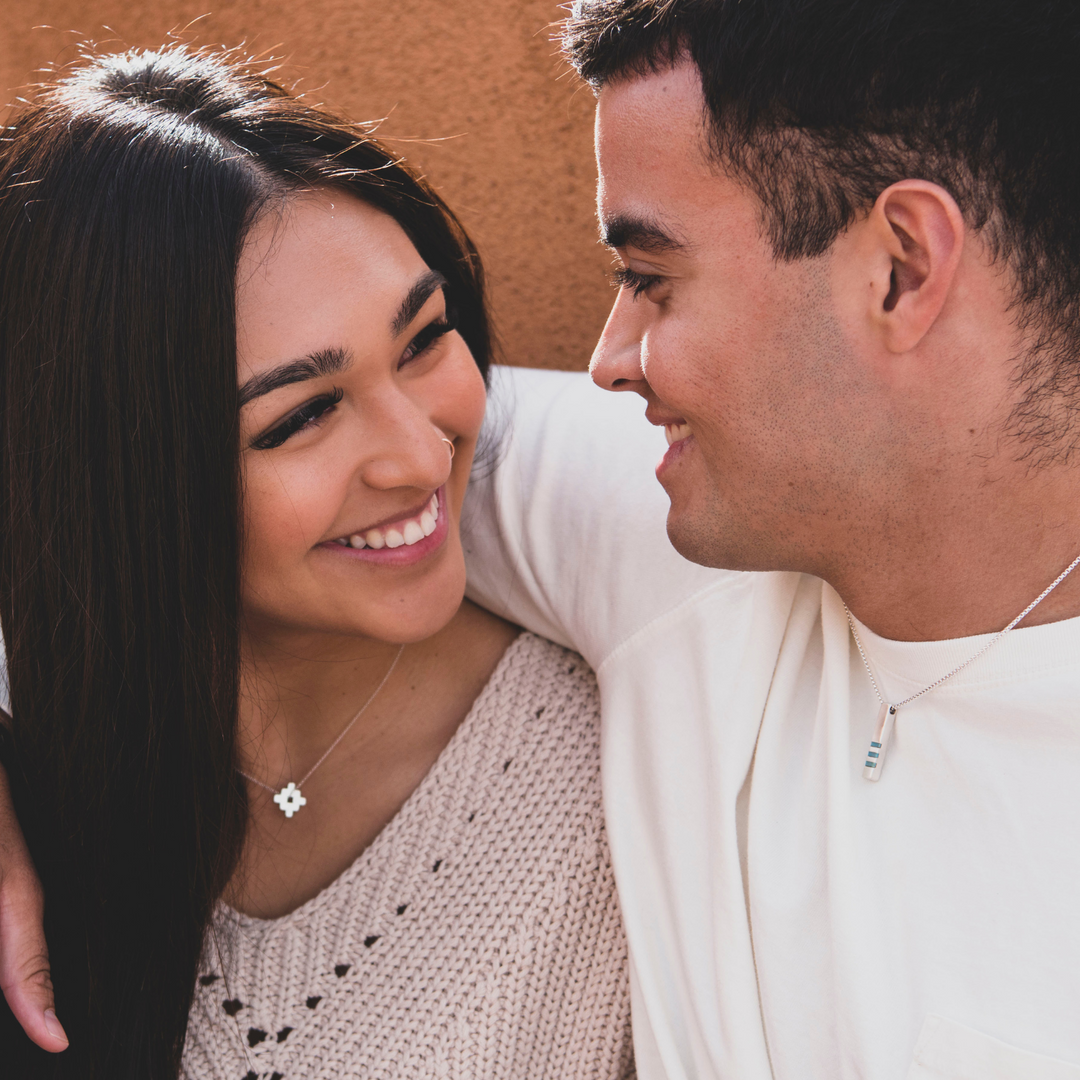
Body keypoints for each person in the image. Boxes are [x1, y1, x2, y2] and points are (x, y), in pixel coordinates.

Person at [4, 1, 1080, 1077]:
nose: (608, 362)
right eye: (304, 416)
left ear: (898, 268)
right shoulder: (659, 519)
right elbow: (104, 480)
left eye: (652, 280)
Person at [0, 47, 634, 1080]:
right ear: (119, 473)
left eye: (425, 339)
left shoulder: (606, 777)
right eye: (303, 413)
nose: (422, 454)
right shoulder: (38, 758)